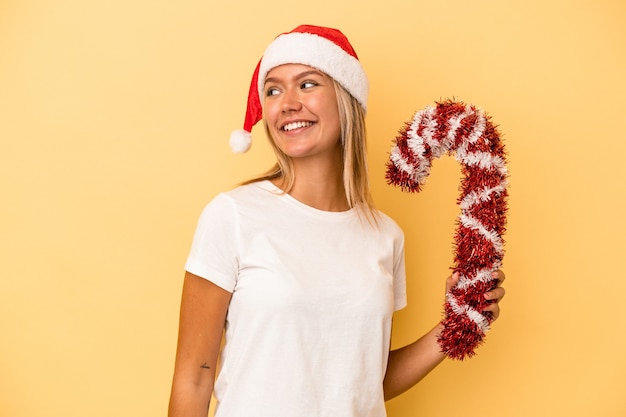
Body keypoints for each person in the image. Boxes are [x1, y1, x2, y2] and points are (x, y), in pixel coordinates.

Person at [168, 24, 506, 417]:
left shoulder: (385, 237)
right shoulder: (233, 216)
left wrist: (458, 323)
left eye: (307, 84)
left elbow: (363, 379)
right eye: (273, 90)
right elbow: (193, 377)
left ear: (346, 98)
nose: (287, 103)